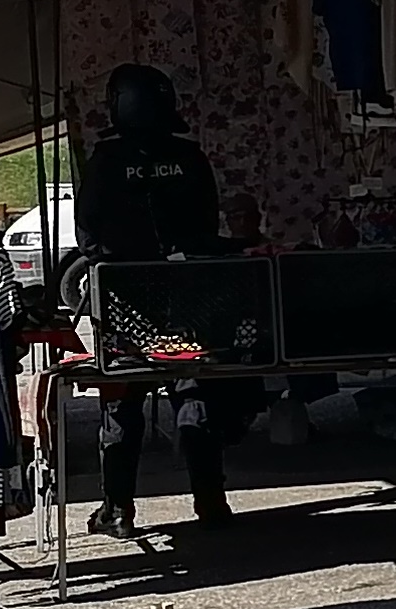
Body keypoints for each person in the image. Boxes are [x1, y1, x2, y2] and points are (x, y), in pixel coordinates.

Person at [76, 64, 261, 540]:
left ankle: (117, 509)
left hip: (125, 299)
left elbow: (87, 235)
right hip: (186, 296)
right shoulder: (190, 157)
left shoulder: (104, 162)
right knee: (192, 392)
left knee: (121, 400)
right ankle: (211, 499)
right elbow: (204, 225)